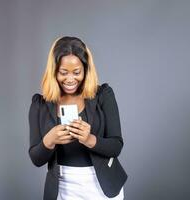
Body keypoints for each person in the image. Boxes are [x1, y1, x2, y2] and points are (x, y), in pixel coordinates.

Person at [28, 36, 127, 200]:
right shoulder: (40, 104)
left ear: (86, 70)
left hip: (102, 185)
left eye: (76, 72)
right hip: (63, 187)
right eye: (63, 72)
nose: (70, 79)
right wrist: (49, 140)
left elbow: (116, 146)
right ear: (54, 71)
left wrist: (90, 139)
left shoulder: (103, 95)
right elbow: (36, 159)